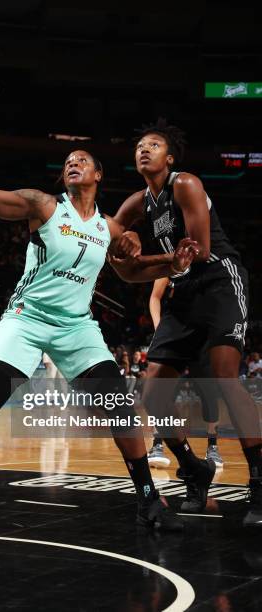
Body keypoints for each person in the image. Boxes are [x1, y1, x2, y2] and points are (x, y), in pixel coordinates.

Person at [0, 130, 195, 532]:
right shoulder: (43, 206)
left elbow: (132, 269)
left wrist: (171, 261)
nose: (72, 164)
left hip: (76, 327)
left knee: (121, 412)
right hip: (26, 320)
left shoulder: (107, 227)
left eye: (81, 159)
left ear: (98, 174)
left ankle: (149, 503)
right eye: (67, 163)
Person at [113, 119, 262, 526]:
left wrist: (136, 259)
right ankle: (194, 469)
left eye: (154, 144)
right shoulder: (139, 202)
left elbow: (198, 251)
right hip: (183, 291)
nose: (144, 149)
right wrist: (122, 240)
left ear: (170, 156)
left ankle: (259, 483)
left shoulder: (186, 184)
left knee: (224, 379)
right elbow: (107, 230)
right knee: (153, 394)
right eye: (140, 145)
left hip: (218, 281)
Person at [147, 277, 223, 468]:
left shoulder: (210, 268)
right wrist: (159, 328)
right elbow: (155, 297)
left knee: (209, 394)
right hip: (173, 333)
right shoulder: (172, 263)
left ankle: (212, 446)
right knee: (161, 391)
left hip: (203, 337)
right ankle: (157, 443)